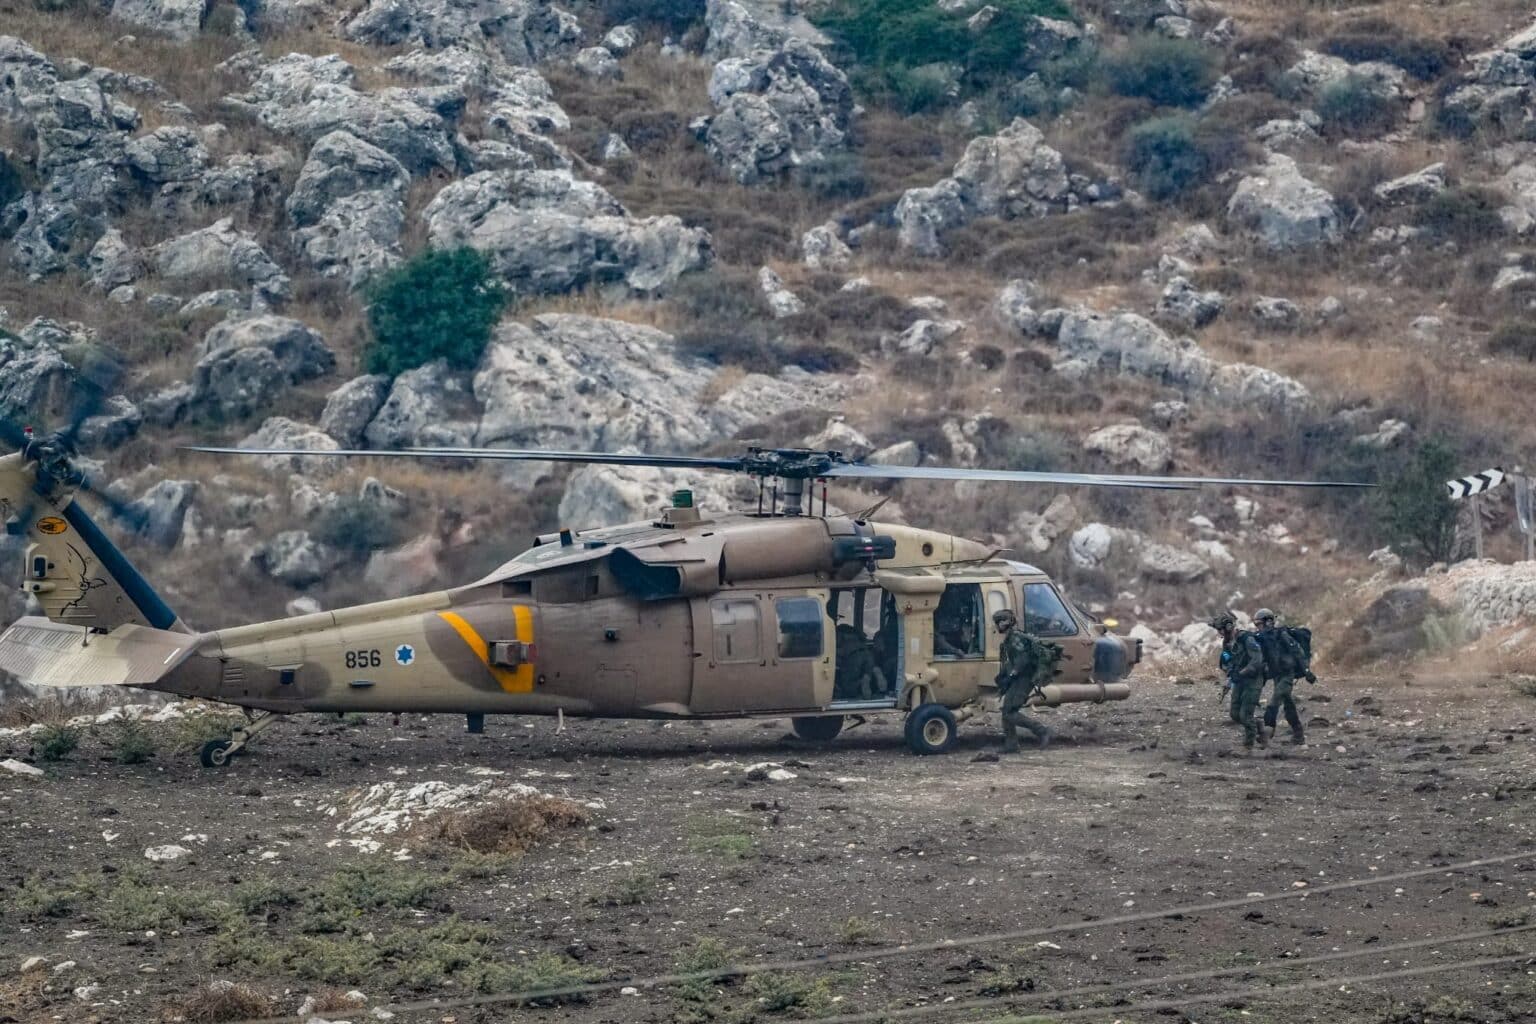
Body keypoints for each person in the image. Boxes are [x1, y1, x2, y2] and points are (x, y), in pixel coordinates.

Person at [993, 608, 1060, 753]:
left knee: (1010, 712)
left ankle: (1042, 731)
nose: (997, 625)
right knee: (1006, 710)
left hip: (1023, 679)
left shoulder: (1015, 637)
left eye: (999, 622)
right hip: (1019, 678)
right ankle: (1011, 744)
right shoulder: (1012, 637)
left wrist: (1011, 675)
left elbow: (1023, 660)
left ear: (1006, 622)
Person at [1254, 608, 1315, 745]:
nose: (1258, 627)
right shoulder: (1263, 639)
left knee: (1274, 702)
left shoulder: (1282, 635)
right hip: (1277, 675)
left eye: (1260, 624)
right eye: (1256, 625)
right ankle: (1298, 734)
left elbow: (1297, 651)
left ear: (1269, 622)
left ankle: (1268, 732)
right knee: (1288, 706)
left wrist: (1306, 671)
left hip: (1288, 674)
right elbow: (1262, 660)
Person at [1210, 611, 1266, 750]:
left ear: (1228, 627)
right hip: (1239, 680)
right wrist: (1230, 674)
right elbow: (1226, 661)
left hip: (1253, 680)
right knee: (1235, 714)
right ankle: (1257, 724)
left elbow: (1257, 661)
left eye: (1220, 629)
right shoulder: (1227, 642)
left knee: (1245, 715)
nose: (1219, 633)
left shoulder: (1247, 639)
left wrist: (1241, 673)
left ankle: (1249, 745)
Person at [834, 622, 886, 700]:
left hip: (852, 660)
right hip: (866, 655)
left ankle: (862, 682)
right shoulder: (857, 638)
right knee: (869, 670)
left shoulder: (840, 636)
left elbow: (839, 652)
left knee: (847, 685)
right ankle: (870, 675)